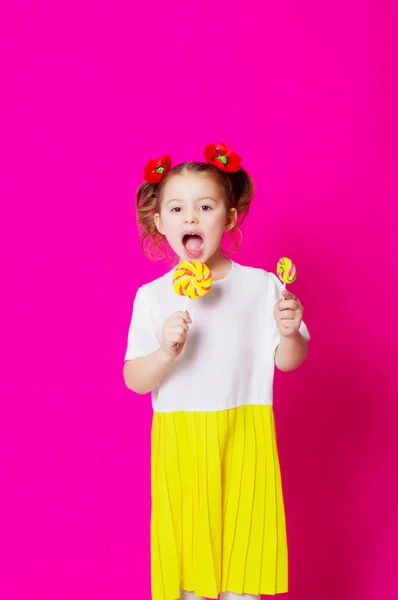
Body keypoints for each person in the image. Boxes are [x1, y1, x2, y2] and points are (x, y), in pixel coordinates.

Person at [123, 143, 310, 600]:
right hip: (183, 445)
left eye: (205, 206)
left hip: (245, 437)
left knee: (240, 580)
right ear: (159, 222)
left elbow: (289, 360)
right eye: (177, 208)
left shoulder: (262, 286)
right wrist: (166, 352)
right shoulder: (153, 297)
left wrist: (290, 333)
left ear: (228, 219)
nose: (191, 218)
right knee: (190, 582)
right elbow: (135, 379)